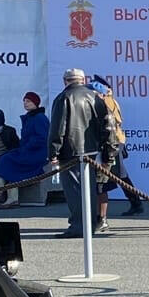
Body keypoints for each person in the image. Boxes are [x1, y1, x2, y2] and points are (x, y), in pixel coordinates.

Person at [46, 69, 110, 239]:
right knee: (89, 190)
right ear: (83, 80)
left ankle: (78, 225)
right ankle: (90, 223)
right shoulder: (95, 96)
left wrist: (53, 152)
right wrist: (108, 152)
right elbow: (107, 125)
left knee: (74, 191)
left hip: (71, 150)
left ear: (65, 80)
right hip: (91, 149)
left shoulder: (63, 98)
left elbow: (58, 128)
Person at [88, 74, 142, 220]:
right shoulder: (108, 100)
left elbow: (114, 121)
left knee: (119, 175)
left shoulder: (107, 101)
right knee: (120, 175)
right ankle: (135, 202)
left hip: (113, 142)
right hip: (115, 141)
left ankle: (135, 202)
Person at [0, 93, 50, 204]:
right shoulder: (30, 118)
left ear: (36, 103)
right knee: (4, 158)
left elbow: (41, 138)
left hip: (36, 153)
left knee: (7, 159)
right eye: (24, 101)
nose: (25, 103)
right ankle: (11, 198)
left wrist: (25, 147)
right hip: (28, 150)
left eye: (28, 101)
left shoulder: (39, 118)